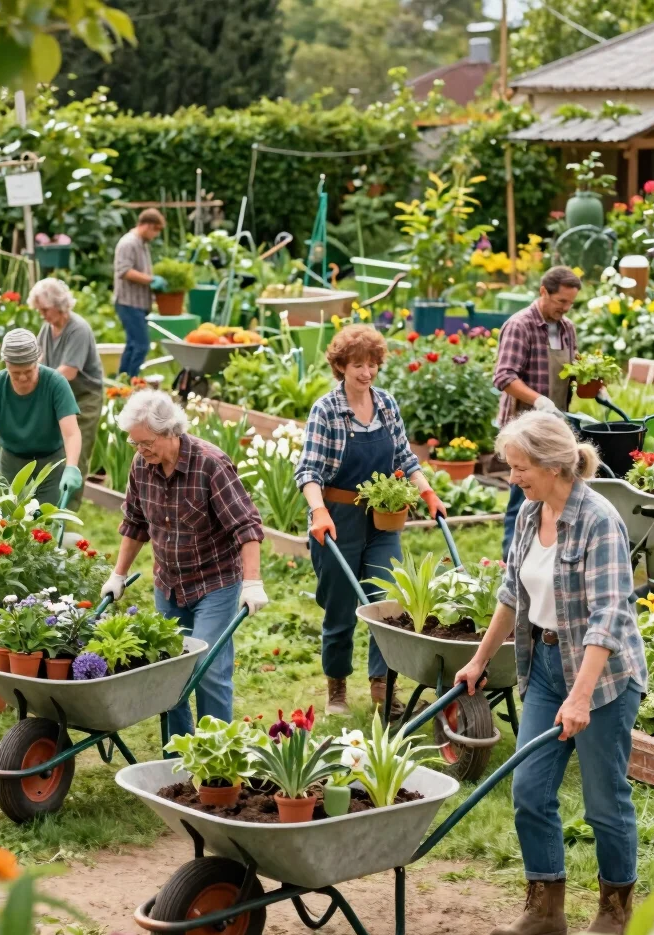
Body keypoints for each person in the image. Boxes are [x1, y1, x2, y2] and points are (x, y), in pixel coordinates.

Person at [454, 411, 647, 935]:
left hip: (602, 678)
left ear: (554, 463)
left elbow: (609, 616)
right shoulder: (529, 514)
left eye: (520, 467)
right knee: (529, 791)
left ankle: (615, 912)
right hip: (543, 667)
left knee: (604, 802)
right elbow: (512, 595)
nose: (513, 476)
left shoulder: (599, 520)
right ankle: (545, 910)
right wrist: (478, 660)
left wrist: (581, 696)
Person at [295, 324, 446, 717]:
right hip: (336, 520)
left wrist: (427, 491)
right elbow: (308, 471)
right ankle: (338, 690)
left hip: (383, 518)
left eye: (372, 364)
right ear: (341, 366)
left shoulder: (386, 405)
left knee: (388, 603)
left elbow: (404, 458)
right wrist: (319, 511)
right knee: (341, 606)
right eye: (358, 365)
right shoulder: (327, 410)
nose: (366, 372)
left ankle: (383, 687)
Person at [101, 389, 268, 736]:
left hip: (215, 584)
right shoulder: (141, 467)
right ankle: (177, 755)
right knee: (169, 672)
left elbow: (247, 526)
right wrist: (118, 574)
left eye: (146, 443)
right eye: (135, 444)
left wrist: (252, 583)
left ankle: (216, 756)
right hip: (169, 584)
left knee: (207, 670)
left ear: (170, 431)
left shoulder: (210, 464)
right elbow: (135, 523)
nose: (141, 451)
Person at [494, 266, 582, 561]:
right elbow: (504, 377)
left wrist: (592, 380)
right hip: (526, 433)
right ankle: (511, 562)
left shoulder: (567, 328)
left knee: (552, 494)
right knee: (521, 495)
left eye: (570, 303)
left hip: (555, 430)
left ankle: (544, 557)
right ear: (544, 292)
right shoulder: (520, 325)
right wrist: (539, 400)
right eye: (561, 302)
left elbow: (572, 369)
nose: (565, 308)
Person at [0, 329, 82, 505]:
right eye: (15, 373)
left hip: (50, 464)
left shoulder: (55, 383)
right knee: (8, 522)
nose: (23, 377)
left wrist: (71, 467)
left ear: (38, 360)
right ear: (6, 364)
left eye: (29, 370)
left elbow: (71, 433)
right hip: (12, 463)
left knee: (46, 524)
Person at [29, 278, 104, 510]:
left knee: (75, 454)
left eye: (44, 309)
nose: (41, 314)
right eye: (39, 309)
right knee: (52, 451)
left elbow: (68, 372)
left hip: (84, 398)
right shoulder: (47, 328)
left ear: (59, 304)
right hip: (58, 397)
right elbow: (39, 361)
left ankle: (67, 510)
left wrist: (36, 382)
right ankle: (49, 504)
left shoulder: (78, 329)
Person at [113, 208, 167, 379]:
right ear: (147, 226)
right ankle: (133, 379)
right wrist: (151, 280)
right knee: (142, 345)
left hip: (138, 303)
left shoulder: (141, 244)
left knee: (132, 344)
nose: (156, 235)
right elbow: (124, 271)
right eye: (156, 230)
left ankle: (123, 380)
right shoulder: (129, 243)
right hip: (128, 302)